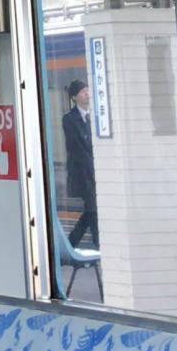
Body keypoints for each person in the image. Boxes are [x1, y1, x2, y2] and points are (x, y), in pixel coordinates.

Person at [61, 79, 97, 249]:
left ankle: (71, 244)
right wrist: (93, 168)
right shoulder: (69, 119)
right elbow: (76, 149)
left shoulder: (95, 116)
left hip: (97, 172)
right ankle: (99, 245)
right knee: (93, 209)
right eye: (82, 92)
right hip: (84, 174)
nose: (87, 94)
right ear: (74, 97)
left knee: (91, 210)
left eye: (87, 90)